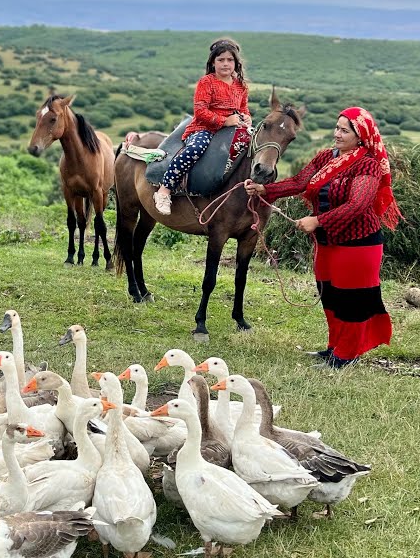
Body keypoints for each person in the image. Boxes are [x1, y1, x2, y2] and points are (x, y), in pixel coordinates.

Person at [244, 107, 402, 367]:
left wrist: (317, 220)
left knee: (351, 301)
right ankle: (335, 347)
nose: (337, 134)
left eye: (344, 130)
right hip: (327, 241)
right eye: (337, 128)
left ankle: (347, 355)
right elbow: (299, 182)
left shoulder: (367, 165)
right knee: (329, 295)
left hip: (357, 244)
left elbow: (357, 205)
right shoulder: (326, 157)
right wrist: (265, 189)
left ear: (360, 135)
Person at [153, 37, 251, 215]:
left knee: (254, 150)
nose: (225, 64)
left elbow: (243, 108)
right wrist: (224, 121)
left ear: (236, 63)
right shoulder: (207, 82)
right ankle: (164, 190)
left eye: (230, 60)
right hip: (204, 128)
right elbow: (201, 112)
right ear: (213, 63)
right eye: (221, 60)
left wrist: (246, 118)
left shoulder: (241, 86)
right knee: (196, 149)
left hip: (231, 130)